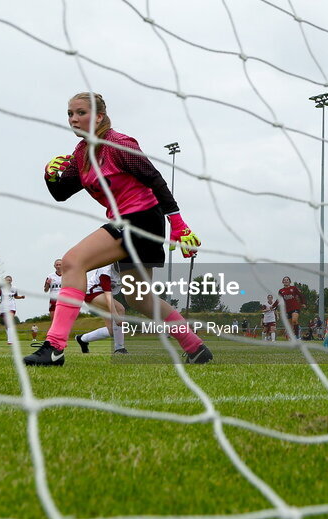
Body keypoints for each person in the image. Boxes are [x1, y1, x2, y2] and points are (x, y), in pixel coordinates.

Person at [24, 91, 209, 366]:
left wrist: (179, 225)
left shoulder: (118, 144)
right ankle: (196, 347)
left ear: (99, 116)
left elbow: (156, 180)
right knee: (141, 299)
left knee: (73, 261)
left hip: (140, 218)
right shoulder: (82, 153)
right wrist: (50, 176)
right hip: (135, 223)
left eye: (81, 113)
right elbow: (62, 193)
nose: (74, 118)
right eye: (70, 114)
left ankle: (54, 347)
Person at [74, 263, 130, 354]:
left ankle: (82, 339)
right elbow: (107, 294)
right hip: (92, 293)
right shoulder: (105, 270)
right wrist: (116, 316)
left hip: (105, 295)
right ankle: (119, 349)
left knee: (112, 331)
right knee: (120, 309)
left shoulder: (127, 269)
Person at [0, 276, 26, 346]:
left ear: (11, 281)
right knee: (6, 324)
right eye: (7, 280)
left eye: (10, 280)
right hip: (3, 307)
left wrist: (21, 297)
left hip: (11, 307)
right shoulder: (2, 288)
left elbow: (15, 296)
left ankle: (10, 340)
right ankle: (10, 337)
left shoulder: (14, 288)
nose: (8, 281)